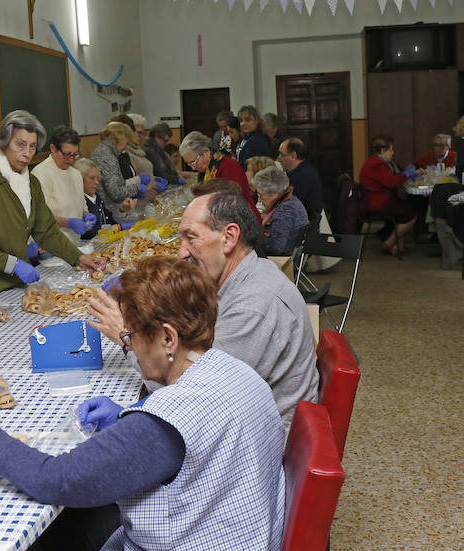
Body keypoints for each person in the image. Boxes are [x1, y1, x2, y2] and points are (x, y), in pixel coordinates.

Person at [0, 257, 286, 551]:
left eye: (131, 336)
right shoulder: (233, 370)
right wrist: (126, 420)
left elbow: (54, 479)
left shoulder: (163, 421)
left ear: (167, 338)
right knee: (69, 527)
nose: (129, 346)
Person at [90, 191, 318, 433]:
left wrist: (128, 338)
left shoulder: (254, 307)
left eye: (191, 238)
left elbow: (192, 393)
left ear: (229, 237)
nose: (181, 252)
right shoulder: (247, 274)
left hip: (267, 441)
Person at [0, 110, 105, 314]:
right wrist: (13, 264)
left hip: (10, 281)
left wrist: (78, 258)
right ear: (4, 142)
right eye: (20, 144)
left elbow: (46, 230)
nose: (27, 153)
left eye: (32, 146)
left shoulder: (30, 182)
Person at [31, 125, 95, 243]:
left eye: (74, 155)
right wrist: (69, 223)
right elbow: (40, 216)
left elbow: (81, 205)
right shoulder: (40, 174)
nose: (71, 160)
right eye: (66, 154)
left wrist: (86, 215)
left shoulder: (75, 174)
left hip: (74, 242)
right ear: (53, 148)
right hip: (51, 245)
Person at [179, 130, 261, 222]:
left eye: (193, 162)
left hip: (243, 220)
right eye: (189, 165)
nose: (193, 168)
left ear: (206, 152)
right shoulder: (205, 172)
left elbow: (232, 202)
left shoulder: (228, 166)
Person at [359, 135, 418, 256]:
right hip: (380, 203)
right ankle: (389, 243)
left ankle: (397, 247)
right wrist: (407, 174)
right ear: (382, 151)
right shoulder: (378, 165)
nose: (393, 153)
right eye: (391, 150)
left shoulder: (372, 162)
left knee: (404, 208)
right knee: (410, 215)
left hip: (375, 201)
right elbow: (392, 182)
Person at [91, 121, 161, 223]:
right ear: (117, 139)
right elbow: (115, 192)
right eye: (126, 143)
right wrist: (137, 188)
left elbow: (116, 184)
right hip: (109, 214)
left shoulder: (105, 151)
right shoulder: (107, 157)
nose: (125, 147)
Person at [251, 166, 309, 256]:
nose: (260, 200)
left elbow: (276, 247)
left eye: (261, 195)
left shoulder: (284, 210)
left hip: (283, 257)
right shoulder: (291, 201)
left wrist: (253, 241)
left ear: (275, 194)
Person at [277, 137, 323, 225]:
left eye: (281, 154)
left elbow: (287, 206)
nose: (279, 158)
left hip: (305, 226)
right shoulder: (303, 169)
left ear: (293, 156)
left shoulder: (302, 176)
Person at [75, 158, 119, 240]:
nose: (97, 182)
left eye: (97, 178)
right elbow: (86, 233)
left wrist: (122, 210)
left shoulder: (97, 197)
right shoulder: (78, 201)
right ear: (79, 179)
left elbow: (110, 220)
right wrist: (109, 229)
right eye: (92, 178)